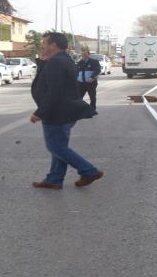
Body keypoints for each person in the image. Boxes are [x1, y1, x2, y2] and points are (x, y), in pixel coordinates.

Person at [30, 32, 104, 189]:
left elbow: (54, 91)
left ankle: (89, 171)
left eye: (44, 43)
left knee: (56, 147)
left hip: (58, 112)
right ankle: (54, 179)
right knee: (59, 145)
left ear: (53, 45)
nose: (42, 46)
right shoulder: (63, 60)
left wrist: (40, 113)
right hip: (65, 110)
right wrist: (43, 62)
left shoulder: (57, 62)